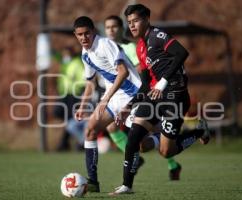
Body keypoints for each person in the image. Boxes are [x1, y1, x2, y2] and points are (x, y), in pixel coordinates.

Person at [110, 4, 209, 195]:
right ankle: (127, 186)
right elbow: (146, 85)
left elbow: (182, 53)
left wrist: (163, 82)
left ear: (147, 19)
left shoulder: (157, 36)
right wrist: (129, 106)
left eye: (136, 20)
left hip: (175, 96)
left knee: (167, 152)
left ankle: (198, 132)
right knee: (134, 140)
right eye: (129, 22)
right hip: (154, 97)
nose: (132, 25)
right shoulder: (140, 47)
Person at [104, 15, 182, 181]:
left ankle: (172, 163)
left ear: (120, 29)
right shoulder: (105, 49)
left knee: (147, 133)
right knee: (112, 127)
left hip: (135, 94)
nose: (110, 30)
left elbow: (141, 71)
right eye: (107, 27)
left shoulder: (130, 48)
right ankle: (138, 159)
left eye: (114, 27)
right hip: (119, 97)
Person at [73, 16, 142, 192]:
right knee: (90, 129)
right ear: (75, 35)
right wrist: (82, 106)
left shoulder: (105, 45)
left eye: (86, 33)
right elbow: (90, 83)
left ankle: (194, 133)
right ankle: (93, 182)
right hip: (115, 97)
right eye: (79, 35)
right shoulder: (85, 53)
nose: (83, 38)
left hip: (133, 94)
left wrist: (105, 99)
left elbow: (123, 72)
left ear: (93, 31)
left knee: (149, 144)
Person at [52, 47, 85, 151]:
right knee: (59, 113)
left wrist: (77, 86)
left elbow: (82, 79)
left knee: (71, 119)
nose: (65, 56)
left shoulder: (76, 63)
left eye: (67, 54)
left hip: (73, 94)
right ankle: (67, 143)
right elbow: (55, 56)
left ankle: (69, 143)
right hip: (64, 94)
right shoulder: (65, 63)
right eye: (64, 54)